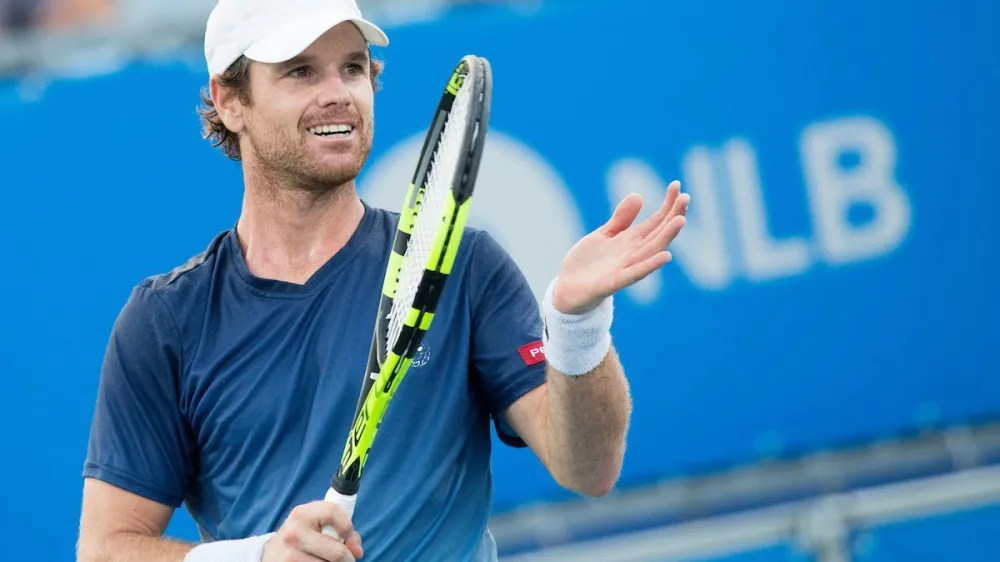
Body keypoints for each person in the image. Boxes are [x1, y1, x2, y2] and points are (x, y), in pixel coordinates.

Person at [76, 0, 690, 560]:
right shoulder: (164, 322)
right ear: (229, 100)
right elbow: (105, 549)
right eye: (300, 72)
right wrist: (256, 558)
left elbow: (588, 468)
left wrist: (578, 325)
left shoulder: (466, 267)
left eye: (352, 67)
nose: (339, 92)